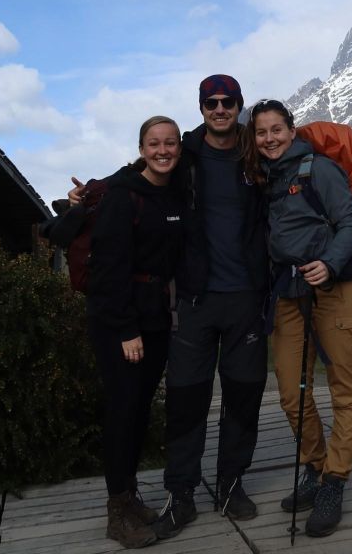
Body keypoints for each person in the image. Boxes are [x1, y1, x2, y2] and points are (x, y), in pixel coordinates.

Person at [69, 75, 269, 540]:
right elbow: (141, 173)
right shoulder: (186, 153)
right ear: (201, 108)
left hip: (245, 297)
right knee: (185, 401)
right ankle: (181, 492)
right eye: (211, 102)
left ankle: (231, 482)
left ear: (239, 106)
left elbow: (299, 150)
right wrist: (91, 193)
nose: (219, 109)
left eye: (228, 102)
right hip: (194, 300)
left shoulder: (256, 152)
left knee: (243, 397)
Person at [242, 98, 352, 537]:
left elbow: (351, 223)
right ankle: (313, 468)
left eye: (277, 129)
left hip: (335, 290)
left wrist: (329, 262)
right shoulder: (264, 180)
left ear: (291, 131)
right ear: (254, 139)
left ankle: (334, 481)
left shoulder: (320, 169)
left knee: (344, 392)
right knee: (293, 395)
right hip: (290, 294)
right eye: (261, 132)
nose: (270, 138)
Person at [88, 116, 184, 549]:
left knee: (140, 411)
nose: (162, 150)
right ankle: (116, 513)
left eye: (170, 143)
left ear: (179, 147)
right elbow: (108, 271)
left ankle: (129, 500)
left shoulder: (173, 193)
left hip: (155, 319)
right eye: (154, 143)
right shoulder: (123, 197)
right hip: (122, 323)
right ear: (141, 148)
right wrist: (126, 329)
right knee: (123, 413)